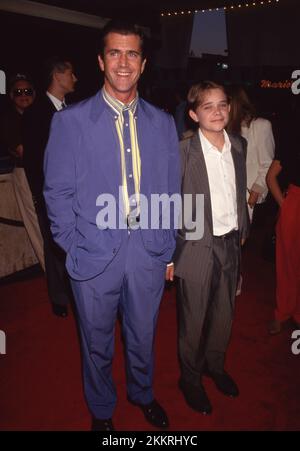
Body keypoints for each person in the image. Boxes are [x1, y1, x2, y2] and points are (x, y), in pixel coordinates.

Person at [43, 20, 180, 431]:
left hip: (148, 254)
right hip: (93, 255)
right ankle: (102, 410)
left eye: (132, 53)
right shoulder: (71, 122)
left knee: (142, 336)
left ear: (144, 62)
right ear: (102, 61)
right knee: (96, 343)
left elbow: (171, 191)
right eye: (115, 53)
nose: (124, 62)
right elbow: (56, 194)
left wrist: (167, 248)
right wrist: (76, 246)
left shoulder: (163, 123)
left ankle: (142, 394)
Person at [167, 81, 249, 415]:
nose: (217, 112)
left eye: (222, 104)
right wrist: (168, 256)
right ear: (193, 114)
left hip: (231, 243)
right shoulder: (182, 151)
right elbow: (170, 205)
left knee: (224, 313)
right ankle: (189, 379)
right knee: (194, 318)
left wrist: (242, 227)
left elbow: (238, 191)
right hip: (196, 246)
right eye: (208, 106)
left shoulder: (240, 145)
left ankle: (215, 366)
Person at [23, 58, 77, 317]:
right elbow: (33, 161)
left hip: (77, 193)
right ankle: (59, 298)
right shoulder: (36, 113)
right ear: (58, 76)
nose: (75, 78)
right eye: (71, 73)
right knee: (54, 246)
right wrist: (40, 197)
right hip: (50, 195)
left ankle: (77, 289)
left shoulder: (72, 110)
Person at [0, 73, 45, 269]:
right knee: (36, 224)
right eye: (18, 92)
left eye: (27, 91)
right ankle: (50, 272)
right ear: (11, 96)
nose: (23, 95)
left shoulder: (40, 116)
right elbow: (23, 152)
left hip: (45, 175)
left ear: (34, 94)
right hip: (26, 175)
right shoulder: (10, 120)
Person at [266, 113, 300, 334]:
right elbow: (271, 176)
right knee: (287, 262)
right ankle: (283, 312)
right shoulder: (293, 133)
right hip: (295, 203)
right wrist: (286, 206)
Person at [227, 86, 274, 222]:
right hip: (227, 193)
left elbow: (267, 164)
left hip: (247, 194)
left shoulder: (260, 126)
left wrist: (256, 191)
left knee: (240, 238)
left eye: (224, 104)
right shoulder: (227, 128)